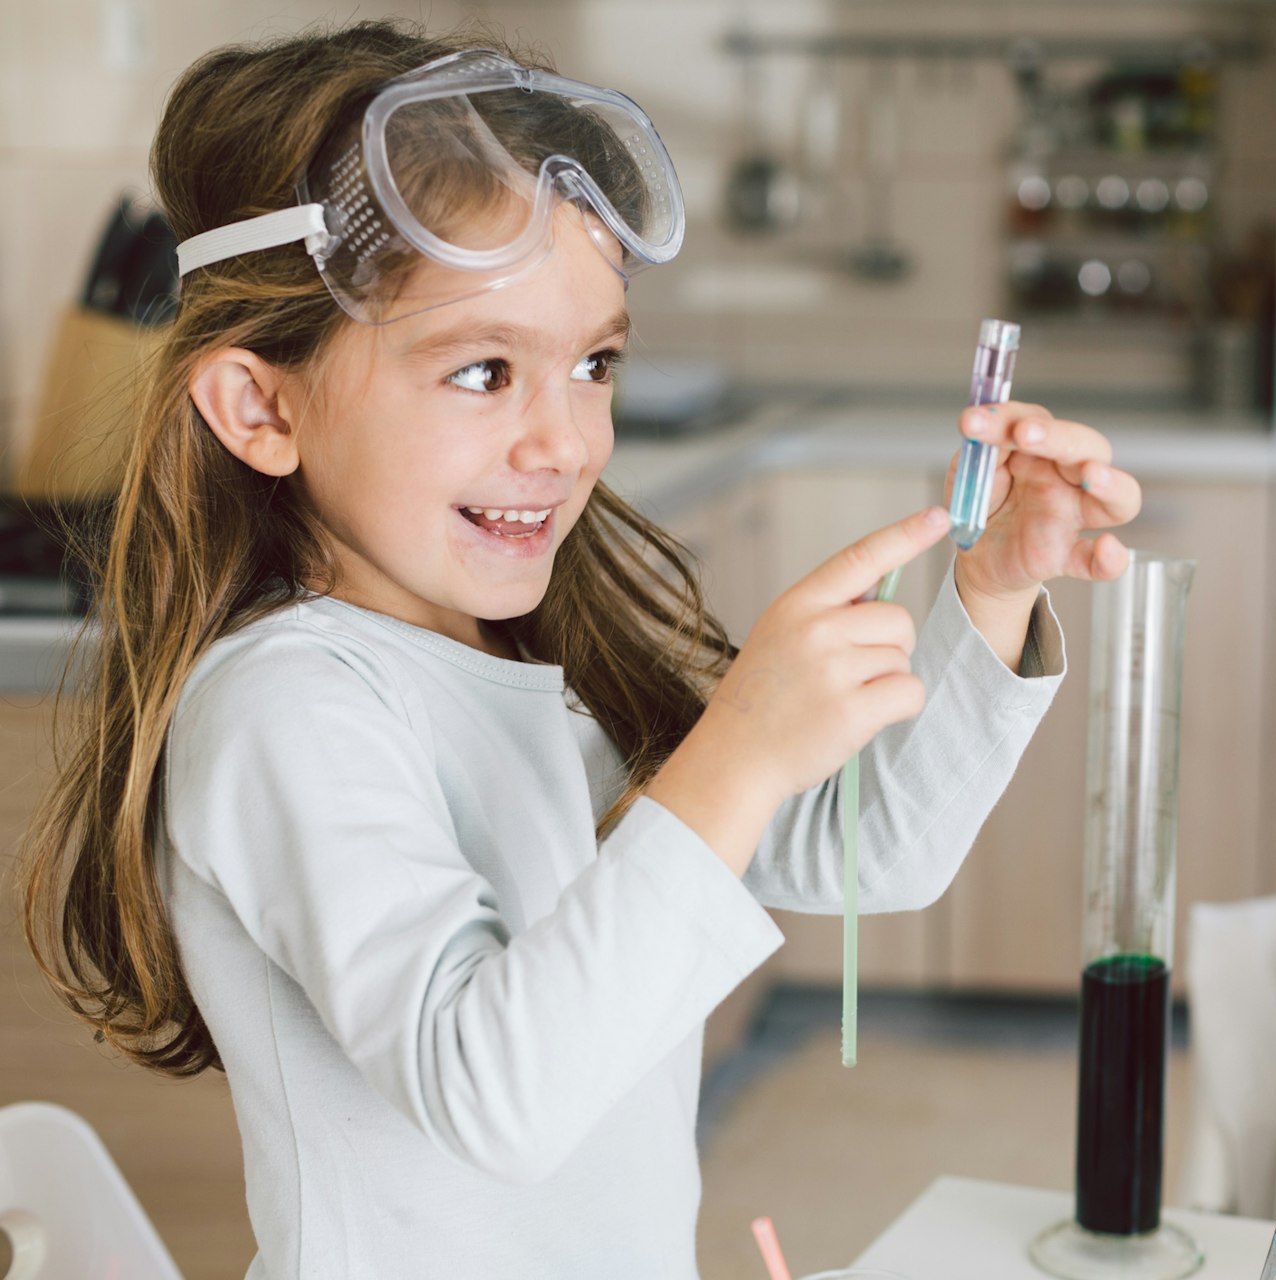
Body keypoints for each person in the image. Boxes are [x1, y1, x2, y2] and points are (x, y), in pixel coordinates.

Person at [15, 21, 1143, 1278]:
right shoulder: (288, 705)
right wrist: (736, 751)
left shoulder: (540, 659)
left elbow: (875, 849)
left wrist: (987, 590)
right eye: (484, 370)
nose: (564, 440)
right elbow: (493, 1090)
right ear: (261, 408)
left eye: (593, 362)